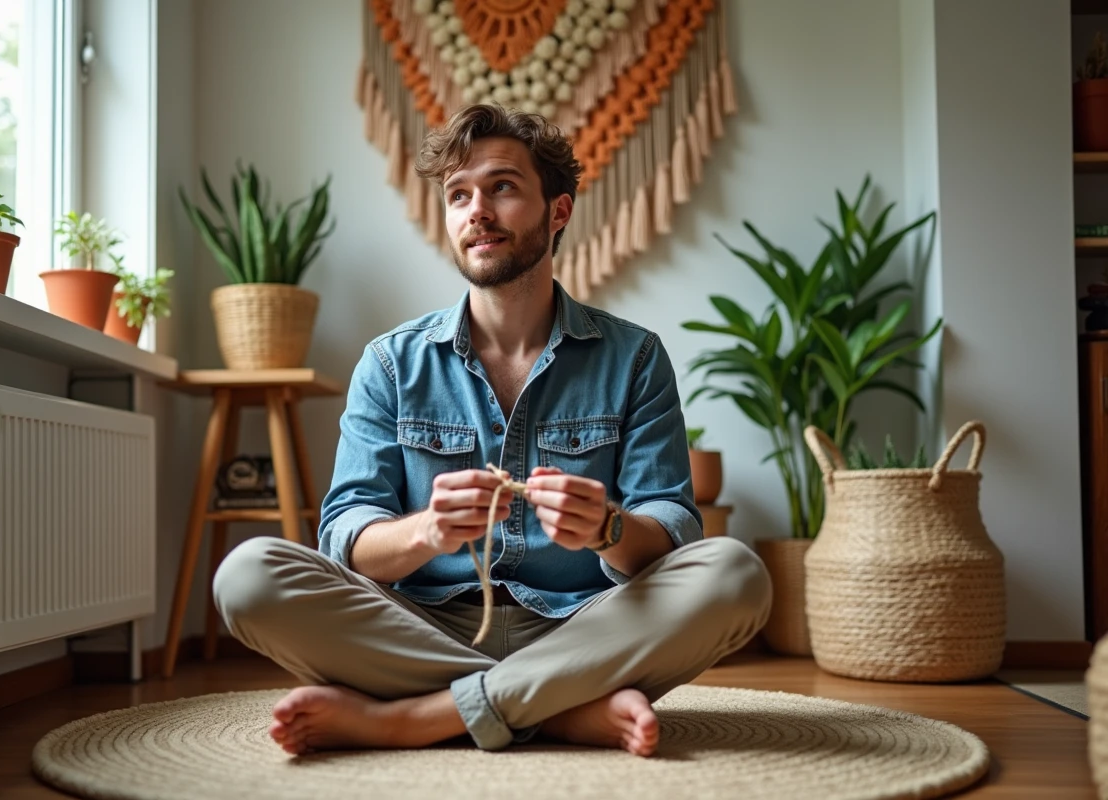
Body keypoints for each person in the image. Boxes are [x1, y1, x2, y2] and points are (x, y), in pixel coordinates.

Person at [213, 104, 772, 759]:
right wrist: (427, 530)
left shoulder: (635, 357)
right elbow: (345, 538)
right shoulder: (391, 363)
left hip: (585, 626)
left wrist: (607, 528)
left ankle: (412, 718)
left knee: (735, 574)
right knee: (248, 576)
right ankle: (560, 709)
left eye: (502, 187)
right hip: (423, 626)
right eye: (457, 195)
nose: (475, 209)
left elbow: (673, 530)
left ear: (557, 211)